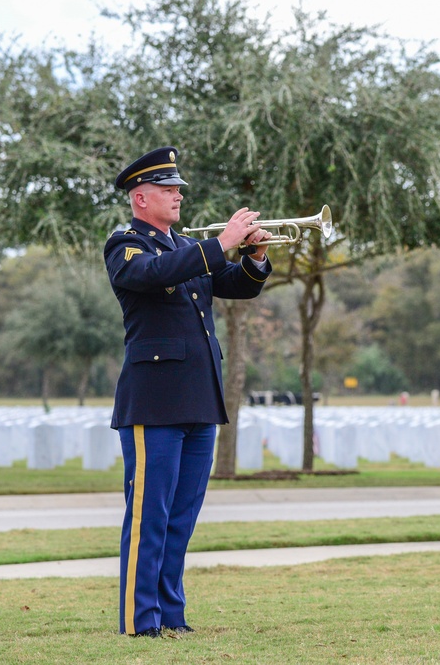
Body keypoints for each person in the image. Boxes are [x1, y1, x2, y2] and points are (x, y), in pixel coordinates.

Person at [104, 146, 273, 638]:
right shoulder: (126, 245)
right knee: (148, 519)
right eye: (168, 189)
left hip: (200, 399)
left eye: (178, 189)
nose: (178, 195)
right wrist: (221, 242)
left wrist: (254, 257)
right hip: (154, 402)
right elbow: (154, 275)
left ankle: (172, 617)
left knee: (181, 519)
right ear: (141, 198)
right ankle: (141, 622)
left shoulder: (184, 247)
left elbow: (232, 284)